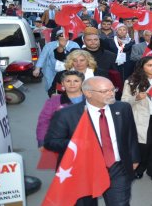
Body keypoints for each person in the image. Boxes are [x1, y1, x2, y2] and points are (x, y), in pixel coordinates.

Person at [44, 77, 140, 205]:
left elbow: (131, 135)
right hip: (84, 169)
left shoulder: (123, 108)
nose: (111, 94)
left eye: (113, 89)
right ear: (88, 93)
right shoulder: (66, 114)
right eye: (105, 91)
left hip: (117, 168)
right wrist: (77, 144)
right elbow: (51, 142)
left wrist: (134, 158)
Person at [121, 57, 152, 181]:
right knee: (143, 145)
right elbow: (124, 101)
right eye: (150, 65)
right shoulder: (131, 81)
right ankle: (139, 169)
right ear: (142, 67)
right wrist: (136, 98)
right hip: (141, 118)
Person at [36, 71, 85, 148]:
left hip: (88, 141)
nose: (72, 84)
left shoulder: (91, 99)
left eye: (76, 81)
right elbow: (44, 122)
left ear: (82, 83)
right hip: (62, 144)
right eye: (68, 81)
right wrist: (42, 142)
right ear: (62, 83)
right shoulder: (53, 101)